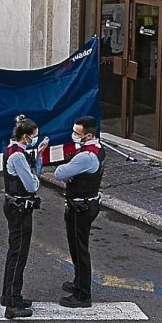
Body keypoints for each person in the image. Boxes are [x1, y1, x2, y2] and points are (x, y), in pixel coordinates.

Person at [53, 115, 104, 309]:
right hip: (86, 203)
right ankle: (78, 282)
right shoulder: (97, 149)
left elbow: (59, 173)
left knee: (79, 249)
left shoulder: (85, 156)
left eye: (77, 133)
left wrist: (65, 166)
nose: (73, 135)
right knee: (76, 247)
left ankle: (83, 295)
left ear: (88, 135)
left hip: (80, 207)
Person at [1, 115, 48, 320]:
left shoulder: (14, 149)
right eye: (34, 136)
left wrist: (38, 156)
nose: (36, 139)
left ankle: (8, 295)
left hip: (16, 206)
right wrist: (36, 171)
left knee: (15, 252)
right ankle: (13, 302)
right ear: (25, 137)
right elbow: (32, 185)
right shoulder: (18, 157)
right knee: (19, 255)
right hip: (20, 208)